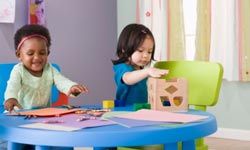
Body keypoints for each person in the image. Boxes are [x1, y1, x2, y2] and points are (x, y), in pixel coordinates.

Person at [4, 24, 88, 112]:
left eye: (42, 53)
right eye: (30, 53)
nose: (37, 57)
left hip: (42, 115)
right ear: (19, 55)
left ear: (48, 53)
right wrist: (11, 99)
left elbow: (62, 82)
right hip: (18, 114)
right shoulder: (18, 70)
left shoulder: (50, 70)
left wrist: (71, 87)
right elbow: (12, 86)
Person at [112, 23, 168, 106]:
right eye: (140, 50)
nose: (146, 55)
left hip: (142, 109)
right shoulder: (122, 67)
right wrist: (147, 71)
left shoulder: (142, 70)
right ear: (124, 49)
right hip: (126, 111)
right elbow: (128, 79)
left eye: (149, 52)